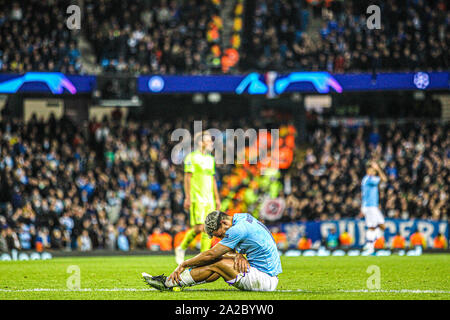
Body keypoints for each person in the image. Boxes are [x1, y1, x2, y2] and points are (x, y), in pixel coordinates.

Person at [143, 211, 282, 292]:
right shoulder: (241, 217)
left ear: (223, 223)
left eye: (219, 235)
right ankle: (174, 283)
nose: (221, 238)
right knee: (217, 265)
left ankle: (169, 283)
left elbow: (211, 254)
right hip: (265, 274)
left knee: (217, 261)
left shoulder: (236, 230)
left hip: (265, 279)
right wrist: (238, 254)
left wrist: (183, 264)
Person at [175, 131, 221, 264]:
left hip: (209, 199)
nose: (211, 143)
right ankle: (181, 247)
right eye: (209, 141)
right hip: (197, 198)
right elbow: (187, 178)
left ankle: (203, 258)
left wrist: (217, 199)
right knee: (200, 228)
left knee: (208, 228)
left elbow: (212, 180)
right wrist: (187, 197)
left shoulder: (210, 159)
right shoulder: (191, 157)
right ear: (201, 142)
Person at [361, 161, 387, 255]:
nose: (373, 172)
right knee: (372, 227)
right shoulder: (369, 179)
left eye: (374, 171)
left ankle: (370, 243)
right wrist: (378, 168)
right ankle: (369, 247)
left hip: (372, 206)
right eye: (372, 170)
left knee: (382, 226)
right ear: (368, 170)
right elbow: (384, 179)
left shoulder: (367, 179)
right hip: (370, 206)